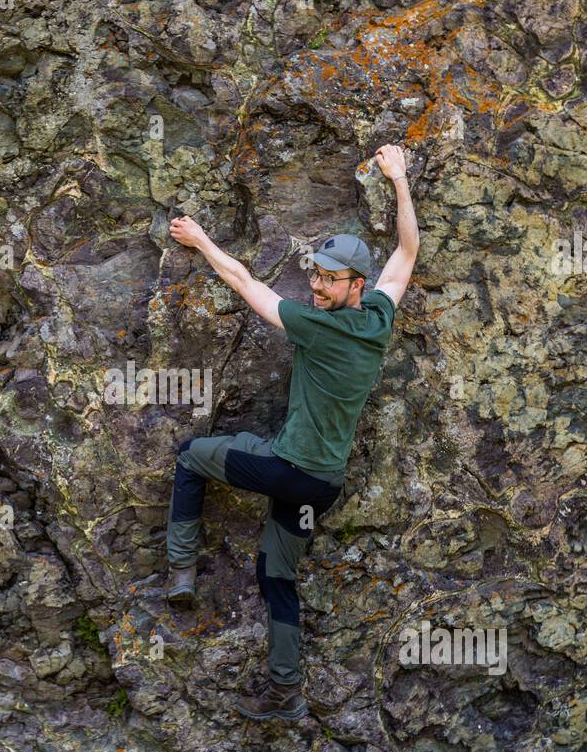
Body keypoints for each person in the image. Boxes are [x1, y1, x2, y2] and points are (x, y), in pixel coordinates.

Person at [164, 143, 419, 721]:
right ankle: (285, 693)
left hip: (286, 469)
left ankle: (180, 568)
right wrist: (399, 180)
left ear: (355, 285)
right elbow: (406, 252)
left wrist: (201, 240)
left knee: (190, 456)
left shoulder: (314, 327)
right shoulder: (378, 319)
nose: (318, 288)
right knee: (277, 574)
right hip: (319, 488)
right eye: (316, 276)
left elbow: (245, 282)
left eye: (330, 281)